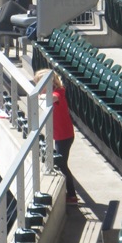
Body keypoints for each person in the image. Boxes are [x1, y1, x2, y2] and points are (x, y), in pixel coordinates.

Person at [34, 70, 78, 205]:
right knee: (61, 163)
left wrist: (38, 96)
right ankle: (70, 193)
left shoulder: (59, 92)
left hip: (65, 135)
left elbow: (51, 98)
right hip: (59, 134)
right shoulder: (51, 92)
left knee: (62, 164)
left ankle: (72, 195)